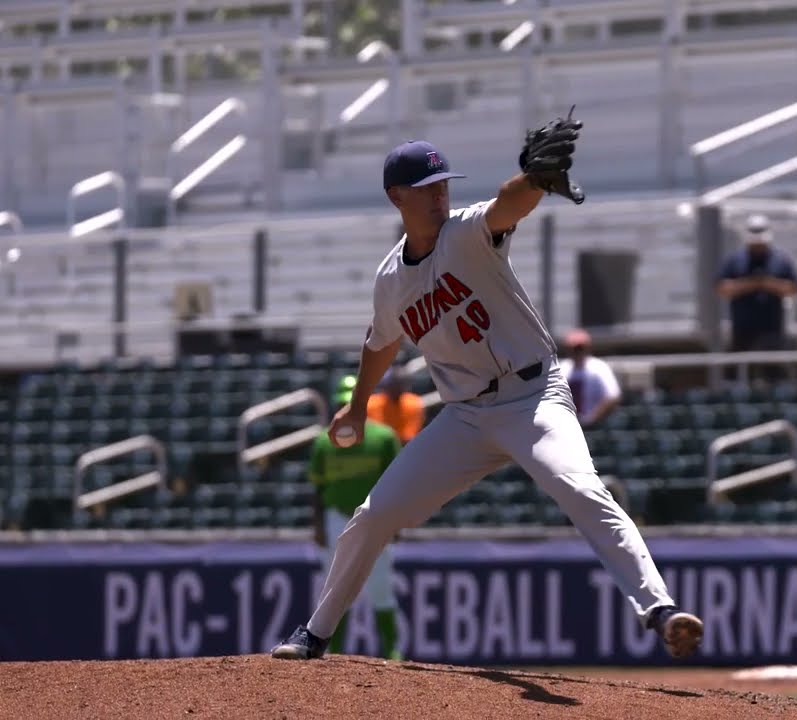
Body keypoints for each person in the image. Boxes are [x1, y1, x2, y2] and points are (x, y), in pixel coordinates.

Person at [270, 131, 703, 661]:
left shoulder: (467, 233)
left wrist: (535, 179)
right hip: (467, 417)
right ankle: (315, 632)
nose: (439, 195)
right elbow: (379, 341)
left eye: (442, 185)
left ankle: (659, 610)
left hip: (533, 399)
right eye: (426, 188)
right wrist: (358, 405)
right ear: (396, 197)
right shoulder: (390, 280)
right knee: (373, 515)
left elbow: (508, 204)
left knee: (581, 488)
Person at [307, 375, 402, 660]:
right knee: (334, 587)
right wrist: (317, 525)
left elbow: (399, 482)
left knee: (381, 587)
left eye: (351, 403)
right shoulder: (324, 442)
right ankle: (334, 651)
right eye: (342, 403)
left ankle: (392, 652)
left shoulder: (384, 437)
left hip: (376, 517)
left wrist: (395, 521)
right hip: (336, 517)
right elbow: (317, 487)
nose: (346, 408)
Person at [716, 213, 797, 352]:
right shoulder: (735, 260)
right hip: (741, 331)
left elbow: (794, 289)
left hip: (772, 330)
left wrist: (768, 283)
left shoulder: (781, 260)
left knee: (774, 370)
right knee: (736, 370)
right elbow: (722, 288)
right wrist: (752, 283)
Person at [558, 328, 622, 428]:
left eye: (580, 348)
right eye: (573, 348)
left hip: (595, 426)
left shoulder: (599, 367)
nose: (577, 352)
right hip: (567, 425)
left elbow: (612, 396)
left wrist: (592, 419)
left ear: (587, 348)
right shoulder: (562, 368)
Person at [366, 367, 425, 443]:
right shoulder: (371, 404)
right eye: (391, 385)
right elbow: (371, 434)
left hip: (404, 446)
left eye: (397, 385)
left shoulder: (413, 403)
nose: (394, 388)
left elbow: (409, 436)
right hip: (377, 446)